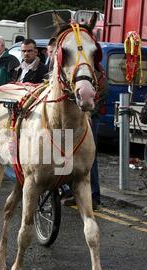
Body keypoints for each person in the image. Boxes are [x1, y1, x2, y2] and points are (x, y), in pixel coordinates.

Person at [62, 65, 109, 210]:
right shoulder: (65, 66)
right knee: (64, 156)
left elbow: (104, 91)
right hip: (67, 119)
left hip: (89, 118)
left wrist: (90, 111)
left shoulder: (96, 69)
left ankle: (93, 195)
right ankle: (69, 192)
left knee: (88, 157)